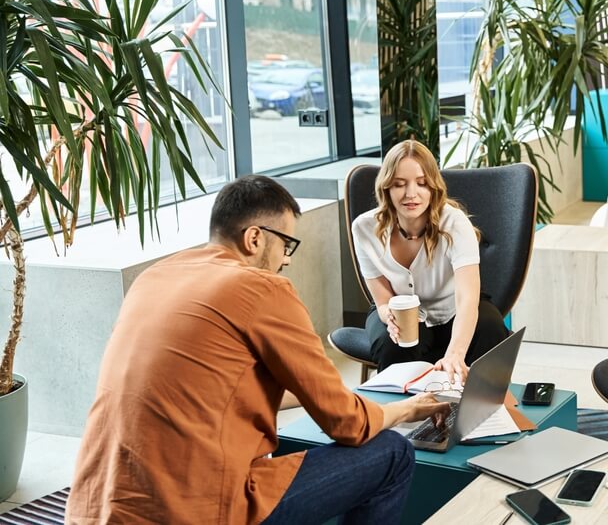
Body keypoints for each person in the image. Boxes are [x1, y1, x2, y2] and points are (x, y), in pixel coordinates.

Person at [66, 175, 449, 525]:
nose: (285, 259)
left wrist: (328, 397)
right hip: (193, 511)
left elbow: (211, 393)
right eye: (287, 245)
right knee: (392, 453)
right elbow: (347, 426)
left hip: (93, 507)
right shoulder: (261, 288)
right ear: (254, 238)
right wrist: (408, 408)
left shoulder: (156, 277)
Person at [344, 139, 508, 385]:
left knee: (490, 327)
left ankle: (473, 410)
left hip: (453, 305)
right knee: (394, 344)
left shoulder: (455, 223)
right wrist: (390, 316)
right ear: (386, 188)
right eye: (399, 184)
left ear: (433, 187)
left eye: (421, 183)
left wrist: (455, 353)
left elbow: (467, 298)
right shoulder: (364, 228)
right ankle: (398, 416)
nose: (411, 194)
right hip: (398, 308)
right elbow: (382, 301)